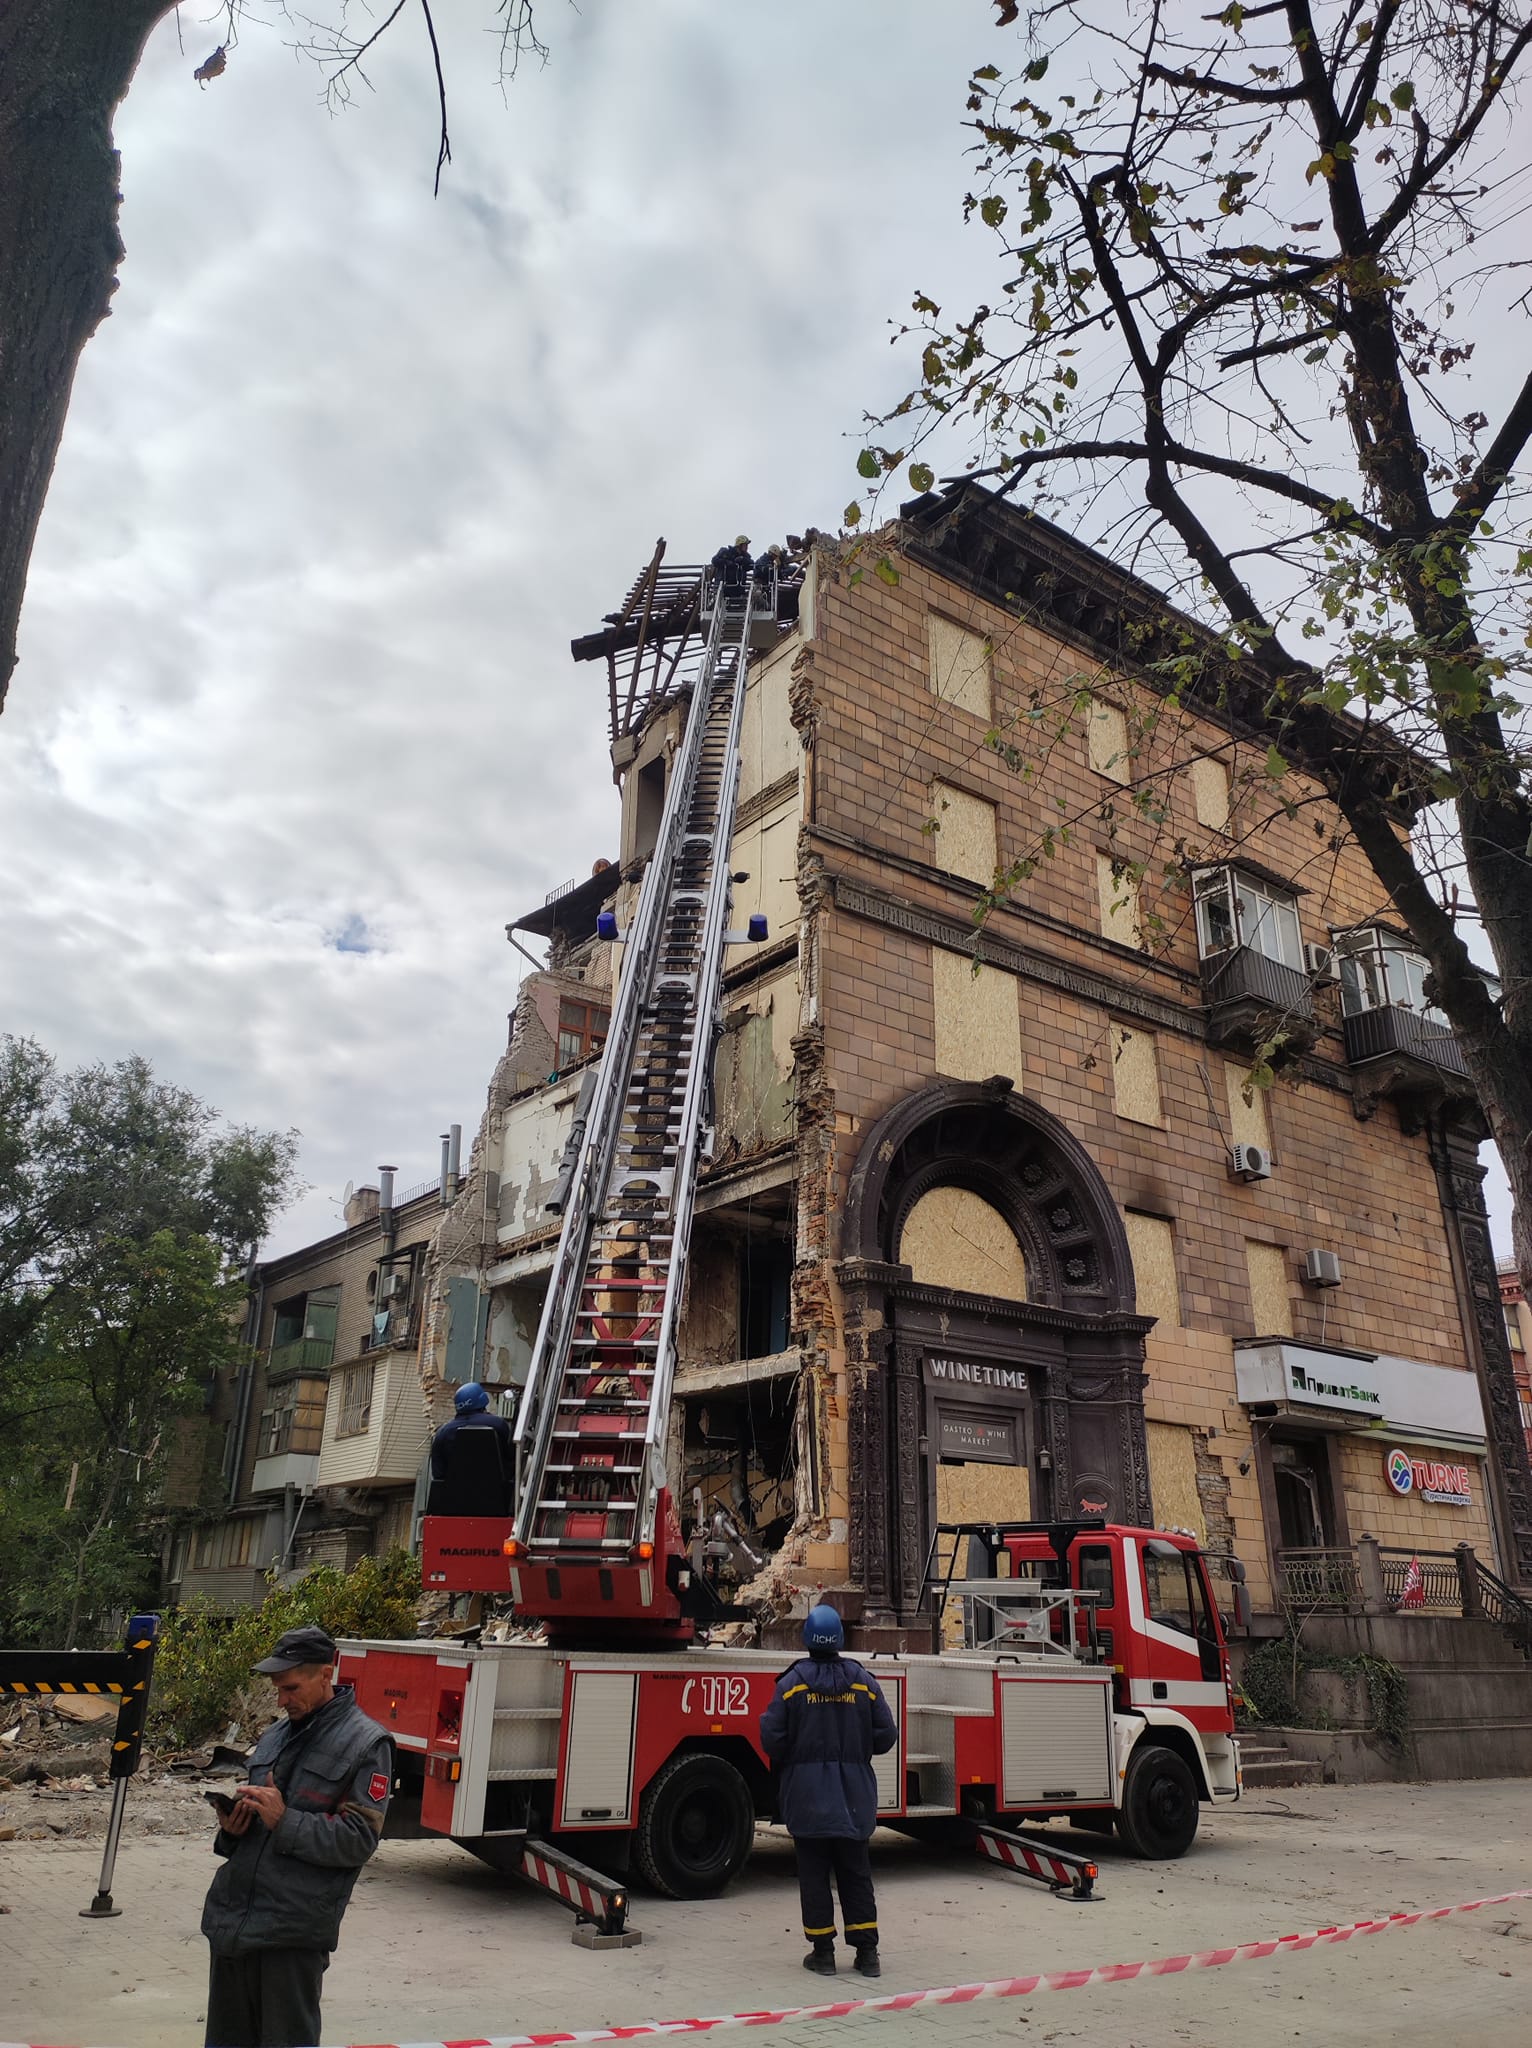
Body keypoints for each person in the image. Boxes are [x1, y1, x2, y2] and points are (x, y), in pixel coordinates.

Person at [201, 1624, 392, 2048]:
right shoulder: (275, 1735)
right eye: (277, 1689)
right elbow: (260, 1820)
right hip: (233, 1923)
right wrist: (233, 1831)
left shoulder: (367, 1744)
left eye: (290, 1687)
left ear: (326, 1674)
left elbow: (359, 1838)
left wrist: (284, 1821)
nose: (281, 1700)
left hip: (291, 1935)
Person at [760, 1603, 897, 1979]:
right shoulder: (862, 1682)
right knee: (856, 1874)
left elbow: (771, 1738)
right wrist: (856, 1748)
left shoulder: (792, 1685)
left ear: (807, 1639)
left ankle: (823, 1954)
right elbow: (886, 1735)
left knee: (815, 1876)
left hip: (807, 1800)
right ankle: (868, 1955)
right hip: (854, 1799)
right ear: (839, 1638)